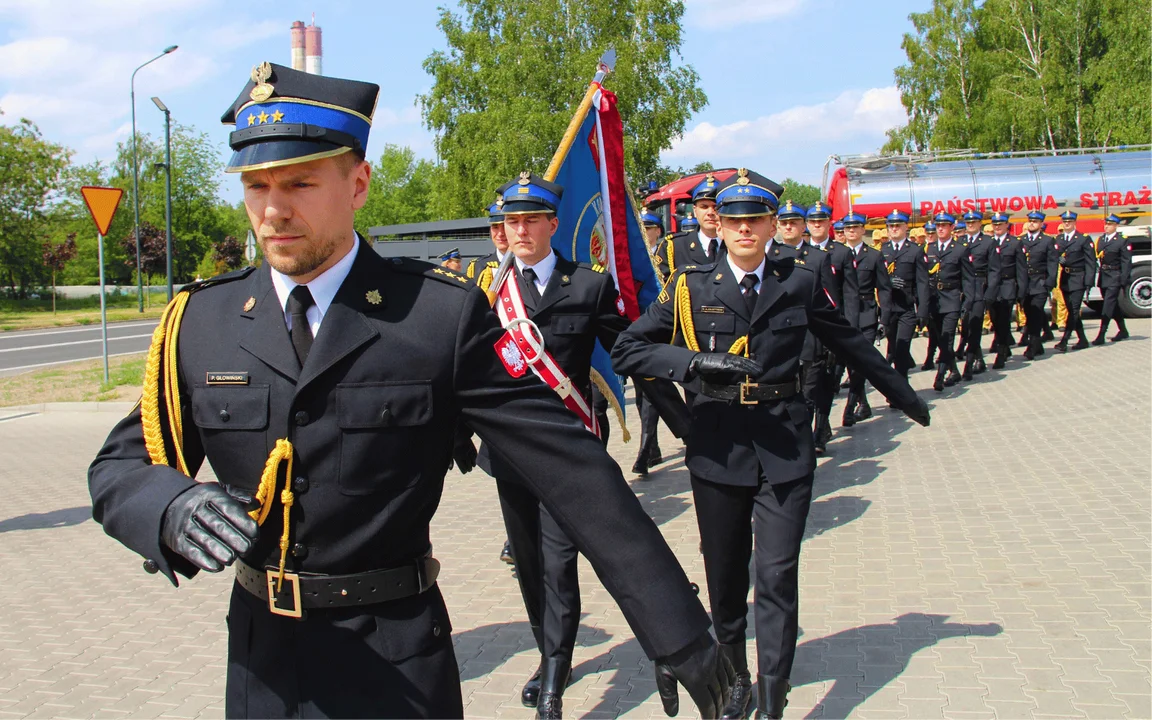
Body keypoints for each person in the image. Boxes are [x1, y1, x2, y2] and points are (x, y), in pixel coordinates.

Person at [87, 63, 733, 720]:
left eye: (301, 182)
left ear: (358, 183)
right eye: (256, 186)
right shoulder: (202, 323)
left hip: (396, 667)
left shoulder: (435, 317)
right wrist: (168, 508)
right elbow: (122, 465)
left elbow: (572, 468)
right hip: (262, 670)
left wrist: (675, 626)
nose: (275, 209)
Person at [611, 168, 930, 720]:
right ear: (721, 224)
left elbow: (848, 339)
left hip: (784, 447)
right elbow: (627, 349)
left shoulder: (799, 280)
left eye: (755, 220)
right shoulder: (689, 287)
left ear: (771, 225)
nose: (744, 230)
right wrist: (691, 364)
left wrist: (901, 394)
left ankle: (773, 694)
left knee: (777, 575)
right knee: (726, 579)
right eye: (733, 220)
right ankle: (732, 686)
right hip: (717, 449)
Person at [808, 211, 859, 452]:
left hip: (831, 326)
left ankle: (821, 427)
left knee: (828, 380)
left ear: (829, 224)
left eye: (821, 221)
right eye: (812, 221)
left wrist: (848, 329)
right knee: (808, 382)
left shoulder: (841, 253)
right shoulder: (798, 253)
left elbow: (849, 294)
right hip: (806, 330)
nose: (816, 225)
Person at [839, 212, 890, 425]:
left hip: (866, 313)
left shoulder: (873, 256)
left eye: (856, 227)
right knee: (852, 362)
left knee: (860, 361)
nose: (851, 231)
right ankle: (864, 403)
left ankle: (852, 405)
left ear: (863, 230)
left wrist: (884, 318)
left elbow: (884, 288)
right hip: (843, 315)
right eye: (847, 228)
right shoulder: (836, 254)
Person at [878, 210, 929, 380]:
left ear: (905, 227)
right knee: (893, 347)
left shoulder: (914, 251)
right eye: (891, 226)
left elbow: (922, 283)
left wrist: (922, 311)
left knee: (902, 347)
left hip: (906, 307)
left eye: (897, 225)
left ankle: (901, 387)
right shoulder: (882, 250)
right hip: (888, 308)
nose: (894, 229)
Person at [923, 213, 965, 390]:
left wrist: (968, 301)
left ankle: (940, 376)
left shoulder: (960, 249)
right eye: (937, 225)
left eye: (944, 226)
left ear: (951, 228)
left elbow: (968, 279)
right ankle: (954, 370)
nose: (940, 229)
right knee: (940, 338)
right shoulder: (929, 249)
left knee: (947, 338)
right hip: (934, 300)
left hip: (952, 298)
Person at [657, 173, 724, 279]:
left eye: (715, 207)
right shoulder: (674, 247)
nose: (710, 212)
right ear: (695, 210)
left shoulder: (736, 245)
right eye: (704, 207)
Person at [1051, 211, 1097, 351]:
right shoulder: (1059, 239)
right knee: (1071, 310)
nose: (1067, 224)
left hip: (1078, 278)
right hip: (1065, 279)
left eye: (1069, 221)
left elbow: (1091, 262)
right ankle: (1082, 339)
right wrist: (1058, 258)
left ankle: (1064, 341)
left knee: (1074, 310)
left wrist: (1089, 281)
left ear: (1074, 222)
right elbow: (1053, 256)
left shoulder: (1083, 239)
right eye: (1065, 221)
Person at [986, 212, 1027, 368]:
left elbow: (1021, 269)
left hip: (1007, 285)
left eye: (1000, 224)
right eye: (995, 224)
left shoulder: (1015, 243)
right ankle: (1004, 343)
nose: (997, 227)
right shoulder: (989, 243)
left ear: (1006, 225)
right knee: (995, 320)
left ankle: (1002, 352)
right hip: (992, 287)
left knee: (1004, 320)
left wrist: (1021, 291)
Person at [958, 210, 995, 377]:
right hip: (963, 288)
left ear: (980, 223)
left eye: (973, 222)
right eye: (967, 222)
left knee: (974, 326)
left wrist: (990, 294)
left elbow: (994, 270)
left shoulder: (988, 242)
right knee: (965, 327)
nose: (970, 225)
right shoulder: (960, 241)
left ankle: (969, 365)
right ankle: (979, 359)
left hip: (980, 287)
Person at [1019, 210, 1058, 359]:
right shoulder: (1022, 240)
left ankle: (1032, 346)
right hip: (1025, 284)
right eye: (1030, 220)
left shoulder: (1047, 241)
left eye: (1035, 221)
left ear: (1041, 224)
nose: (1032, 223)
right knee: (1029, 313)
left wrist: (1049, 283)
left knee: (1035, 315)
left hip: (1039, 283)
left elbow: (1052, 263)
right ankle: (1039, 346)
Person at [1092, 213, 1132, 343]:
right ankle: (1123, 330)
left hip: (1115, 275)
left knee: (1108, 305)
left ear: (1116, 226)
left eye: (1110, 224)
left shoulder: (1122, 240)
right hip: (1104, 276)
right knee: (1112, 304)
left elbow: (1126, 261)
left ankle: (1101, 334)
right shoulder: (1102, 239)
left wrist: (1124, 279)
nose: (1107, 226)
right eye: (1106, 224)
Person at [466, 199, 509, 283]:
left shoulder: (528, 264)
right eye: (495, 227)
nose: (500, 233)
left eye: (504, 226)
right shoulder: (479, 266)